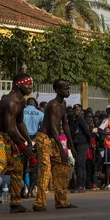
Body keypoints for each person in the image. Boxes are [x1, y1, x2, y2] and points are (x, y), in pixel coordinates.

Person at [0, 74, 35, 213]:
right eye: (27, 84)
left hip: (10, 137)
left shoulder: (21, 101)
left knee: (18, 167)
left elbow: (19, 122)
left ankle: (15, 203)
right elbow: (10, 128)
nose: (30, 87)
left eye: (31, 84)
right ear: (18, 85)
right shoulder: (10, 101)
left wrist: (28, 141)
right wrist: (23, 146)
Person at [33, 79, 78, 211]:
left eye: (68, 89)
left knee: (64, 167)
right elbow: (53, 128)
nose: (67, 91)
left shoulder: (63, 103)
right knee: (46, 169)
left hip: (56, 139)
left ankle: (61, 200)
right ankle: (39, 203)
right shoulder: (52, 105)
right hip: (45, 138)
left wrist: (71, 145)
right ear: (57, 90)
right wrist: (62, 149)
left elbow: (65, 125)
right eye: (65, 89)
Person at [71, 104, 91, 193]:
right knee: (80, 164)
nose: (76, 110)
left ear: (81, 111)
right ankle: (81, 186)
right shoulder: (74, 120)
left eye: (78, 109)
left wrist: (89, 142)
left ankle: (80, 186)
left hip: (82, 144)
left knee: (79, 164)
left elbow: (87, 131)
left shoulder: (81, 120)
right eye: (75, 109)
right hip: (77, 144)